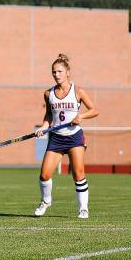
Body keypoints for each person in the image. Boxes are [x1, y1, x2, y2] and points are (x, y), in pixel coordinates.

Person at [34, 54, 99, 219]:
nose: (56, 75)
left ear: (68, 72)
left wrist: (81, 117)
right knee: (44, 175)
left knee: (78, 173)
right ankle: (46, 201)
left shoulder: (78, 91)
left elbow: (94, 110)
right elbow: (49, 116)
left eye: (60, 71)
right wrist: (43, 127)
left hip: (74, 137)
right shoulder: (48, 94)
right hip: (56, 138)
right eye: (54, 72)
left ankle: (83, 208)